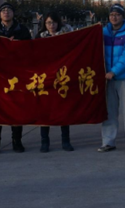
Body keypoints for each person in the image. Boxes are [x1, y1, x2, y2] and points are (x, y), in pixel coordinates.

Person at [0, 1, 32, 155]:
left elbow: (31, 50)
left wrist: (17, 46)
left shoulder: (22, 30)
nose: (6, 12)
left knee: (16, 109)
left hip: (16, 75)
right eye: (3, 10)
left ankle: (16, 141)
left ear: (13, 14)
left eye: (9, 10)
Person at [99, 4, 125, 154]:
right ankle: (108, 141)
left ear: (123, 16)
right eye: (111, 15)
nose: (114, 17)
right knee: (109, 112)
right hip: (107, 78)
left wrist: (114, 71)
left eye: (117, 14)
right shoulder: (104, 32)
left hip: (123, 78)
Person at [36, 11, 74, 152]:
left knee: (63, 110)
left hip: (62, 77)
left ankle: (66, 140)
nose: (51, 25)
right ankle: (44, 141)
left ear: (58, 23)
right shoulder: (39, 37)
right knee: (45, 111)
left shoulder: (66, 36)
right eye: (48, 23)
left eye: (53, 22)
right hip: (45, 78)